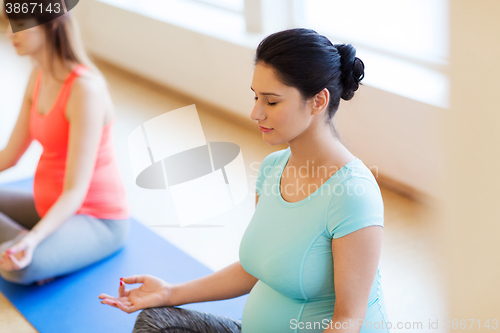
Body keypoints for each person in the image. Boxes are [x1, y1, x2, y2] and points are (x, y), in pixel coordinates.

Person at [99, 28, 389, 333]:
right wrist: (169, 292)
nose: (255, 112)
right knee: (156, 321)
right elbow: (256, 270)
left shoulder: (353, 194)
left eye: (272, 102)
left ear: (318, 101)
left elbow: (348, 321)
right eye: (255, 97)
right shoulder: (272, 167)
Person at [0, 2, 130, 285]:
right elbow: (9, 156)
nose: (11, 32)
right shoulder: (38, 75)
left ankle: (30, 246)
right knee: (16, 256)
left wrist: (34, 238)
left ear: (51, 23)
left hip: (96, 218)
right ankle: (27, 244)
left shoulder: (85, 90)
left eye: (21, 23)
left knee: (17, 269)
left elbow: (75, 191)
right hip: (47, 205)